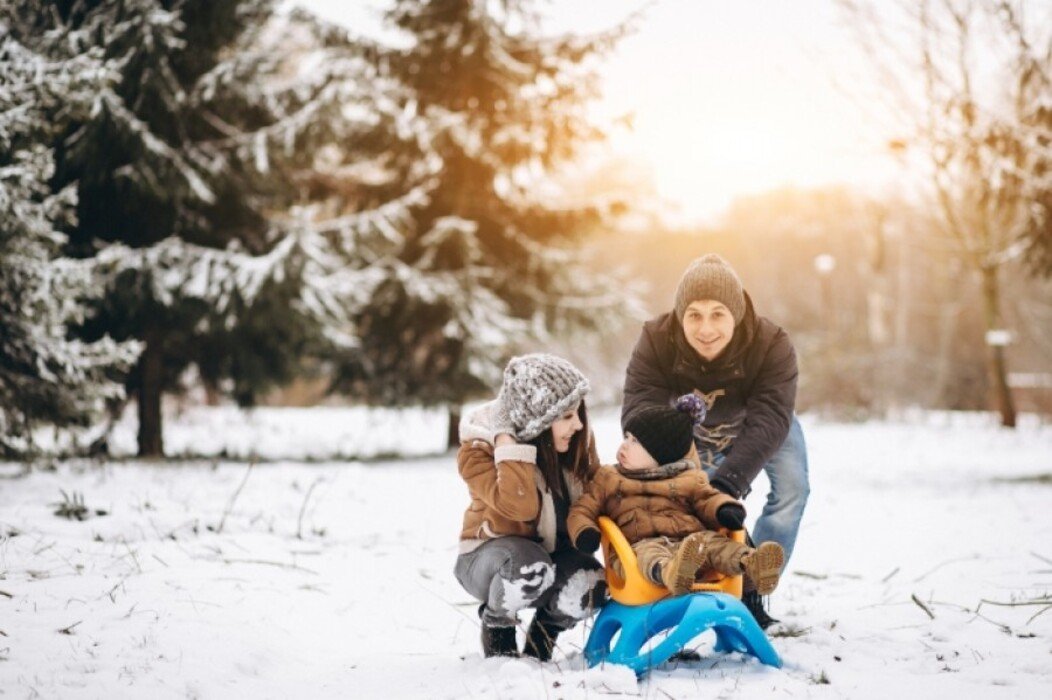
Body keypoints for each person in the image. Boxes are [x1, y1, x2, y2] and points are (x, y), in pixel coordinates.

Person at [621, 253, 808, 628]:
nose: (706, 328)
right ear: (680, 316)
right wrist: (687, 477)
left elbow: (771, 416)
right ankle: (735, 590)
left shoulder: (772, 343)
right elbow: (640, 409)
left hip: (761, 426)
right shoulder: (656, 340)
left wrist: (729, 482)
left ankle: (756, 585)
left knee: (792, 489)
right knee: (700, 507)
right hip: (689, 431)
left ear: (735, 315)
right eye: (694, 315)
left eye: (718, 314)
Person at [455, 353, 607, 660]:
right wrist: (507, 443)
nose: (577, 425)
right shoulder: (478, 451)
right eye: (566, 417)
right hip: (487, 562)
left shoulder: (572, 447)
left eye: (577, 414)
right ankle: (498, 631)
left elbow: (602, 494)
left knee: (592, 584)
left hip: (549, 561)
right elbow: (519, 506)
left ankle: (543, 636)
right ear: (536, 420)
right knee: (528, 563)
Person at [568, 396, 784, 597]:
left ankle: (752, 563)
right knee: (650, 554)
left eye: (635, 441)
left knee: (715, 543)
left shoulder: (688, 479)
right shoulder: (609, 478)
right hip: (637, 550)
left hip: (691, 546)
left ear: (661, 455)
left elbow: (708, 498)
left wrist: (724, 509)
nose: (624, 445)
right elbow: (583, 508)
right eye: (626, 437)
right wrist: (585, 532)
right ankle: (673, 573)